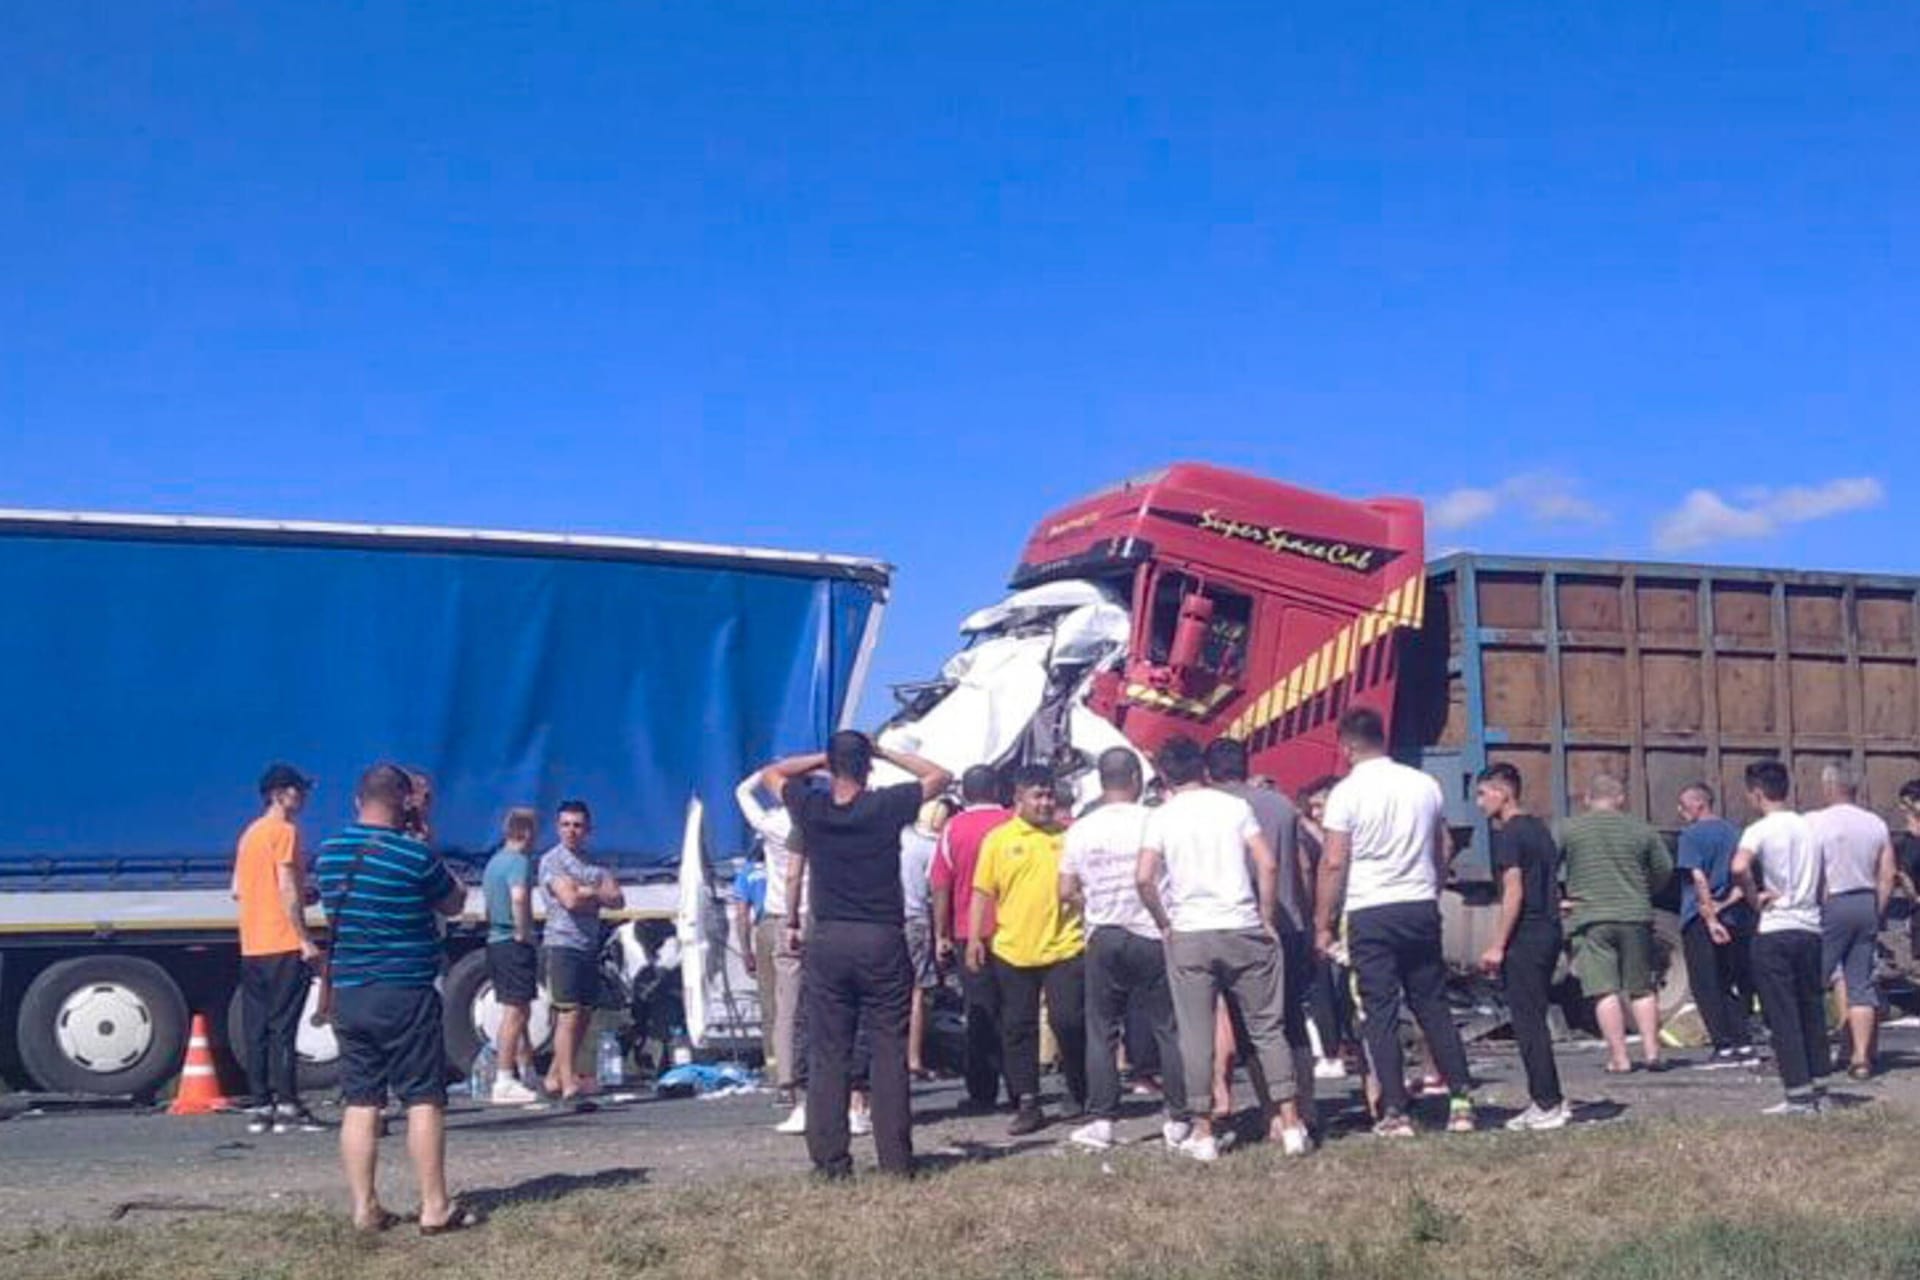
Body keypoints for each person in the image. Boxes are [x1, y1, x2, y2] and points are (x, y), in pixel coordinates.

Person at [766, 732, 951, 1179]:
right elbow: (939, 776)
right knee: (888, 1049)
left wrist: (821, 762)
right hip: (881, 936)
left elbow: (770, 774)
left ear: (832, 768)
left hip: (829, 937)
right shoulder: (885, 806)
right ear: (867, 768)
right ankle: (895, 1160)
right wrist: (883, 749)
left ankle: (830, 1162)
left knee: (829, 1051)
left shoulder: (811, 809)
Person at [315, 764, 474, 1234]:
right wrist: (424, 839)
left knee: (361, 1100)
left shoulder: (328, 854)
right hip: (404, 989)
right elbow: (454, 902)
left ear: (356, 800)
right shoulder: (412, 856)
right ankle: (434, 1207)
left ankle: (365, 1208)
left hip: (349, 992)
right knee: (423, 1098)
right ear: (405, 803)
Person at [1139, 735, 1308, 1162]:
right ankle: (1290, 1123)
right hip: (1243, 925)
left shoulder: (1161, 816)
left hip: (1191, 932)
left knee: (1196, 1035)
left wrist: (1164, 922)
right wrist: (1267, 915)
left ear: (1164, 774)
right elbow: (1267, 862)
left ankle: (1204, 1130)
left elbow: (1143, 877)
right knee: (1267, 1029)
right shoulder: (1235, 807)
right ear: (1203, 769)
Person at [1313, 707, 1475, 1138]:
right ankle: (1460, 1101)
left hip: (1371, 908)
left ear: (1347, 747)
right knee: (1433, 1004)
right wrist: (1433, 885)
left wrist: (1323, 922)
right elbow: (1443, 844)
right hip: (1419, 903)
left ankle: (1395, 1111)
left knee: (1380, 1010)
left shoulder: (1346, 794)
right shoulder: (1423, 784)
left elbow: (1333, 862)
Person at [1060, 747, 1189, 1151]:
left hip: (1104, 933)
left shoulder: (1080, 828)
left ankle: (1102, 1119)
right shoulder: (1155, 820)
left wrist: (1094, 903)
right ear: (1135, 778)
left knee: (1102, 1030)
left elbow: (1065, 889)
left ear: (1101, 781)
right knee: (1168, 1026)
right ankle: (1178, 1117)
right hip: (1151, 929)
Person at [968, 765, 1087, 1135]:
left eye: (1049, 795)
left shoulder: (1068, 837)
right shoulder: (998, 840)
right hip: (1012, 948)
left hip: (1065, 945)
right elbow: (982, 892)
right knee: (1017, 1028)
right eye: (1037, 795)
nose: (1045, 802)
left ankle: (1078, 1088)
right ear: (1018, 799)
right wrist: (974, 938)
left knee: (1068, 1020)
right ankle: (1027, 1100)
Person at [1207, 738, 1316, 1131]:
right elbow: (1302, 867)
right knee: (1291, 1019)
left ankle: (1274, 1111)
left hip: (1238, 924)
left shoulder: (1214, 811)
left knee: (1250, 1026)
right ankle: (1306, 1104)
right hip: (1287, 923)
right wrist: (1305, 918)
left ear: (1209, 772)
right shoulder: (1282, 805)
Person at [1472, 765, 1567, 1131]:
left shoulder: (1509, 835)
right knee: (1534, 1017)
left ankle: (1547, 1103)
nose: (1479, 803)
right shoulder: (1539, 829)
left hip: (1526, 935)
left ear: (1503, 793)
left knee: (1528, 1023)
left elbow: (1514, 890)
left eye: (1483, 794)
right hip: (1548, 929)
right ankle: (1545, 1098)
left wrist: (1497, 944)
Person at [1733, 760, 1829, 1114]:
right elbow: (1825, 886)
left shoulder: (1759, 829)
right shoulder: (1810, 828)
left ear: (1757, 793)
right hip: (1810, 926)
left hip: (1776, 927)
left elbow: (1739, 866)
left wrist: (1753, 895)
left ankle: (1798, 1094)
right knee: (1812, 1008)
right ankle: (1821, 1087)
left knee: (1782, 1012)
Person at [1559, 775, 1673, 1074]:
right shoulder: (1641, 830)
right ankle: (1651, 1052)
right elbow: (1665, 868)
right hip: (1635, 915)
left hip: (1591, 917)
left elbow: (1547, 865)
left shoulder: (1570, 829)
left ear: (1587, 799)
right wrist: (1645, 891)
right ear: (1621, 799)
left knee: (1604, 989)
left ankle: (1620, 1058)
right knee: (1642, 988)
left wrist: (1560, 898)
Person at [232, 762, 322, 1134]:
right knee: (284, 1027)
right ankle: (288, 1102)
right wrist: (304, 938)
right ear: (279, 794)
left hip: (252, 943)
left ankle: (260, 1105)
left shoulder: (250, 834)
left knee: (257, 1028)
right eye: (297, 790)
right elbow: (286, 886)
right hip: (283, 940)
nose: (302, 797)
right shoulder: (284, 832)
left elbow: (238, 888)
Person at [931, 765, 1014, 1109]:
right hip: (1013, 929)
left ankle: (982, 1088)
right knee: (1015, 1010)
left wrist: (942, 933)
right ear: (997, 789)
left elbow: (940, 884)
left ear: (965, 793)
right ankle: (1021, 1087)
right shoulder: (1014, 823)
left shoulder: (953, 829)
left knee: (979, 1010)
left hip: (969, 929)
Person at [1809, 764, 1896, 1080]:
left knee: (1813, 981)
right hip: (1865, 901)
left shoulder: (1815, 822)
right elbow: (1887, 873)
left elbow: (1812, 870)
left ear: (1829, 786)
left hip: (1832, 902)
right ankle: (1861, 1057)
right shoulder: (1875, 823)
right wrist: (1877, 908)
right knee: (1860, 983)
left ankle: (1813, 1053)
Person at [539, 800, 623, 1109]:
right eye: (566, 824)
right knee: (568, 1013)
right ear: (558, 827)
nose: (571, 831)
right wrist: (590, 894)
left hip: (589, 944)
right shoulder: (552, 861)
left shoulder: (593, 863)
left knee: (585, 1014)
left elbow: (617, 899)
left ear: (587, 829)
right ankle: (568, 1081)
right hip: (563, 943)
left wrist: (588, 891)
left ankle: (553, 1077)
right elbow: (569, 901)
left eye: (577, 825)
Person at [737, 771, 807, 1120]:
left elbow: (743, 791)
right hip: (823, 914)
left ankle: (786, 1082)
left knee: (785, 1005)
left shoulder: (772, 824)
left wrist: (773, 770)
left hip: (783, 916)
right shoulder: (824, 817)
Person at [1673, 784, 1756, 1062]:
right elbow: (1742, 879)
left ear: (1698, 805)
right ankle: (1743, 1039)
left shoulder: (1690, 837)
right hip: (1733, 915)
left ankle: (1723, 1044)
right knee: (1730, 980)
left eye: (1683, 806)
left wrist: (1709, 916)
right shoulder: (1734, 833)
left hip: (1700, 919)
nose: (1680, 812)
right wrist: (1725, 905)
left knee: (1706, 983)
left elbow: (1698, 878)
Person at [481, 807, 540, 1104]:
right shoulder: (519, 862)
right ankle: (503, 1078)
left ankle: (526, 1070)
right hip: (512, 942)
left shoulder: (493, 863)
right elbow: (518, 896)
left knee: (521, 1009)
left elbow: (488, 906)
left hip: (495, 940)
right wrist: (523, 930)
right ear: (527, 832)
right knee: (515, 1012)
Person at [1295, 776, 1353, 1081]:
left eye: (1320, 805)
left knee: (1335, 988)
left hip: (1338, 918)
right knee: (1327, 988)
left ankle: (1337, 1050)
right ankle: (1336, 1048)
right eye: (1312, 807)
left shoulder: (1337, 837)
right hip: (1329, 919)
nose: (1315, 812)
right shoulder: (1313, 833)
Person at [901, 798, 949, 1080]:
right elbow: (938, 891)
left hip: (889, 918)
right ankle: (914, 1057)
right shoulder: (933, 848)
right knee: (917, 991)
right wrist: (942, 934)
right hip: (917, 919)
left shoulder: (902, 837)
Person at [731, 845, 774, 1069]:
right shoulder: (794, 859)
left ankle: (777, 1072)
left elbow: (741, 915)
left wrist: (746, 951)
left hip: (767, 929)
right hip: (798, 926)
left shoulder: (748, 872)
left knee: (770, 1007)